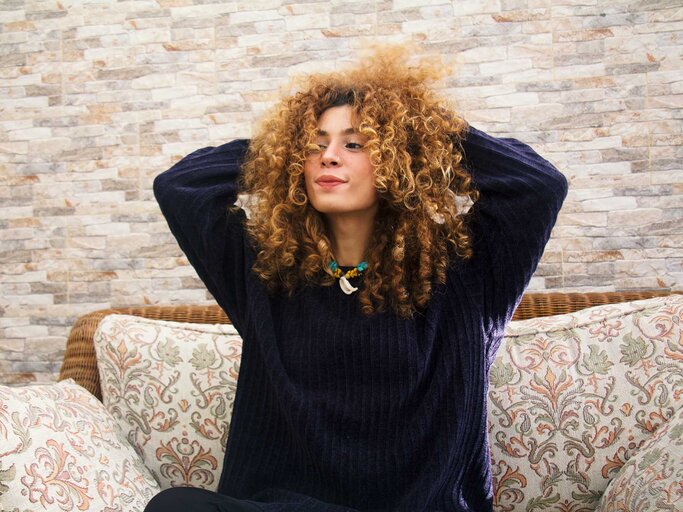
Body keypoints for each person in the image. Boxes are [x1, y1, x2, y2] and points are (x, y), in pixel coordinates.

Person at [145, 47, 568, 512]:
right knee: (176, 506)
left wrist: (422, 134)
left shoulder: (471, 274)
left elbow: (538, 184)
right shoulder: (266, 274)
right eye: (312, 144)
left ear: (397, 159)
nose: (328, 157)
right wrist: (277, 144)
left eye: (354, 143)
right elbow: (181, 186)